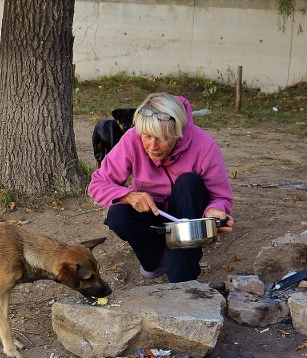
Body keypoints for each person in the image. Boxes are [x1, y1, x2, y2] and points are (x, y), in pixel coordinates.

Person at [88, 92, 234, 283]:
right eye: (147, 136)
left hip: (187, 213)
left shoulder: (203, 146)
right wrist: (128, 196)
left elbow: (221, 197)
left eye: (161, 138)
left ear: (178, 132)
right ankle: (156, 260)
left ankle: (182, 277)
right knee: (118, 215)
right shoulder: (132, 139)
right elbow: (97, 183)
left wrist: (214, 210)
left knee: (189, 182)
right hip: (152, 213)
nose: (152, 146)